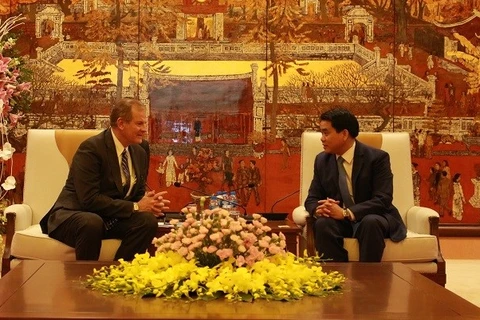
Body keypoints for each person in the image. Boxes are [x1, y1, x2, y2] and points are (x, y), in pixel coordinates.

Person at [40, 98, 170, 261]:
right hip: (75, 214)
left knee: (147, 222)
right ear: (121, 123)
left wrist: (149, 203)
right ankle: (83, 282)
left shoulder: (140, 149)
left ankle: (118, 274)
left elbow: (135, 194)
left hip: (109, 217)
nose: (145, 130)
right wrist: (136, 206)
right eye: (139, 124)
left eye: (145, 124)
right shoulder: (92, 148)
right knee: (91, 222)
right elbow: (89, 200)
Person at [304, 107, 406, 262]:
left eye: (326, 133)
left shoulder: (377, 158)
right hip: (340, 222)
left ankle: (367, 280)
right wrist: (320, 210)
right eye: (321, 133)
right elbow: (311, 199)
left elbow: (383, 199)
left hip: (373, 217)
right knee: (323, 224)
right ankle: (337, 278)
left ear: (344, 134)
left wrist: (346, 213)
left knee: (370, 222)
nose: (322, 138)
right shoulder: (322, 160)